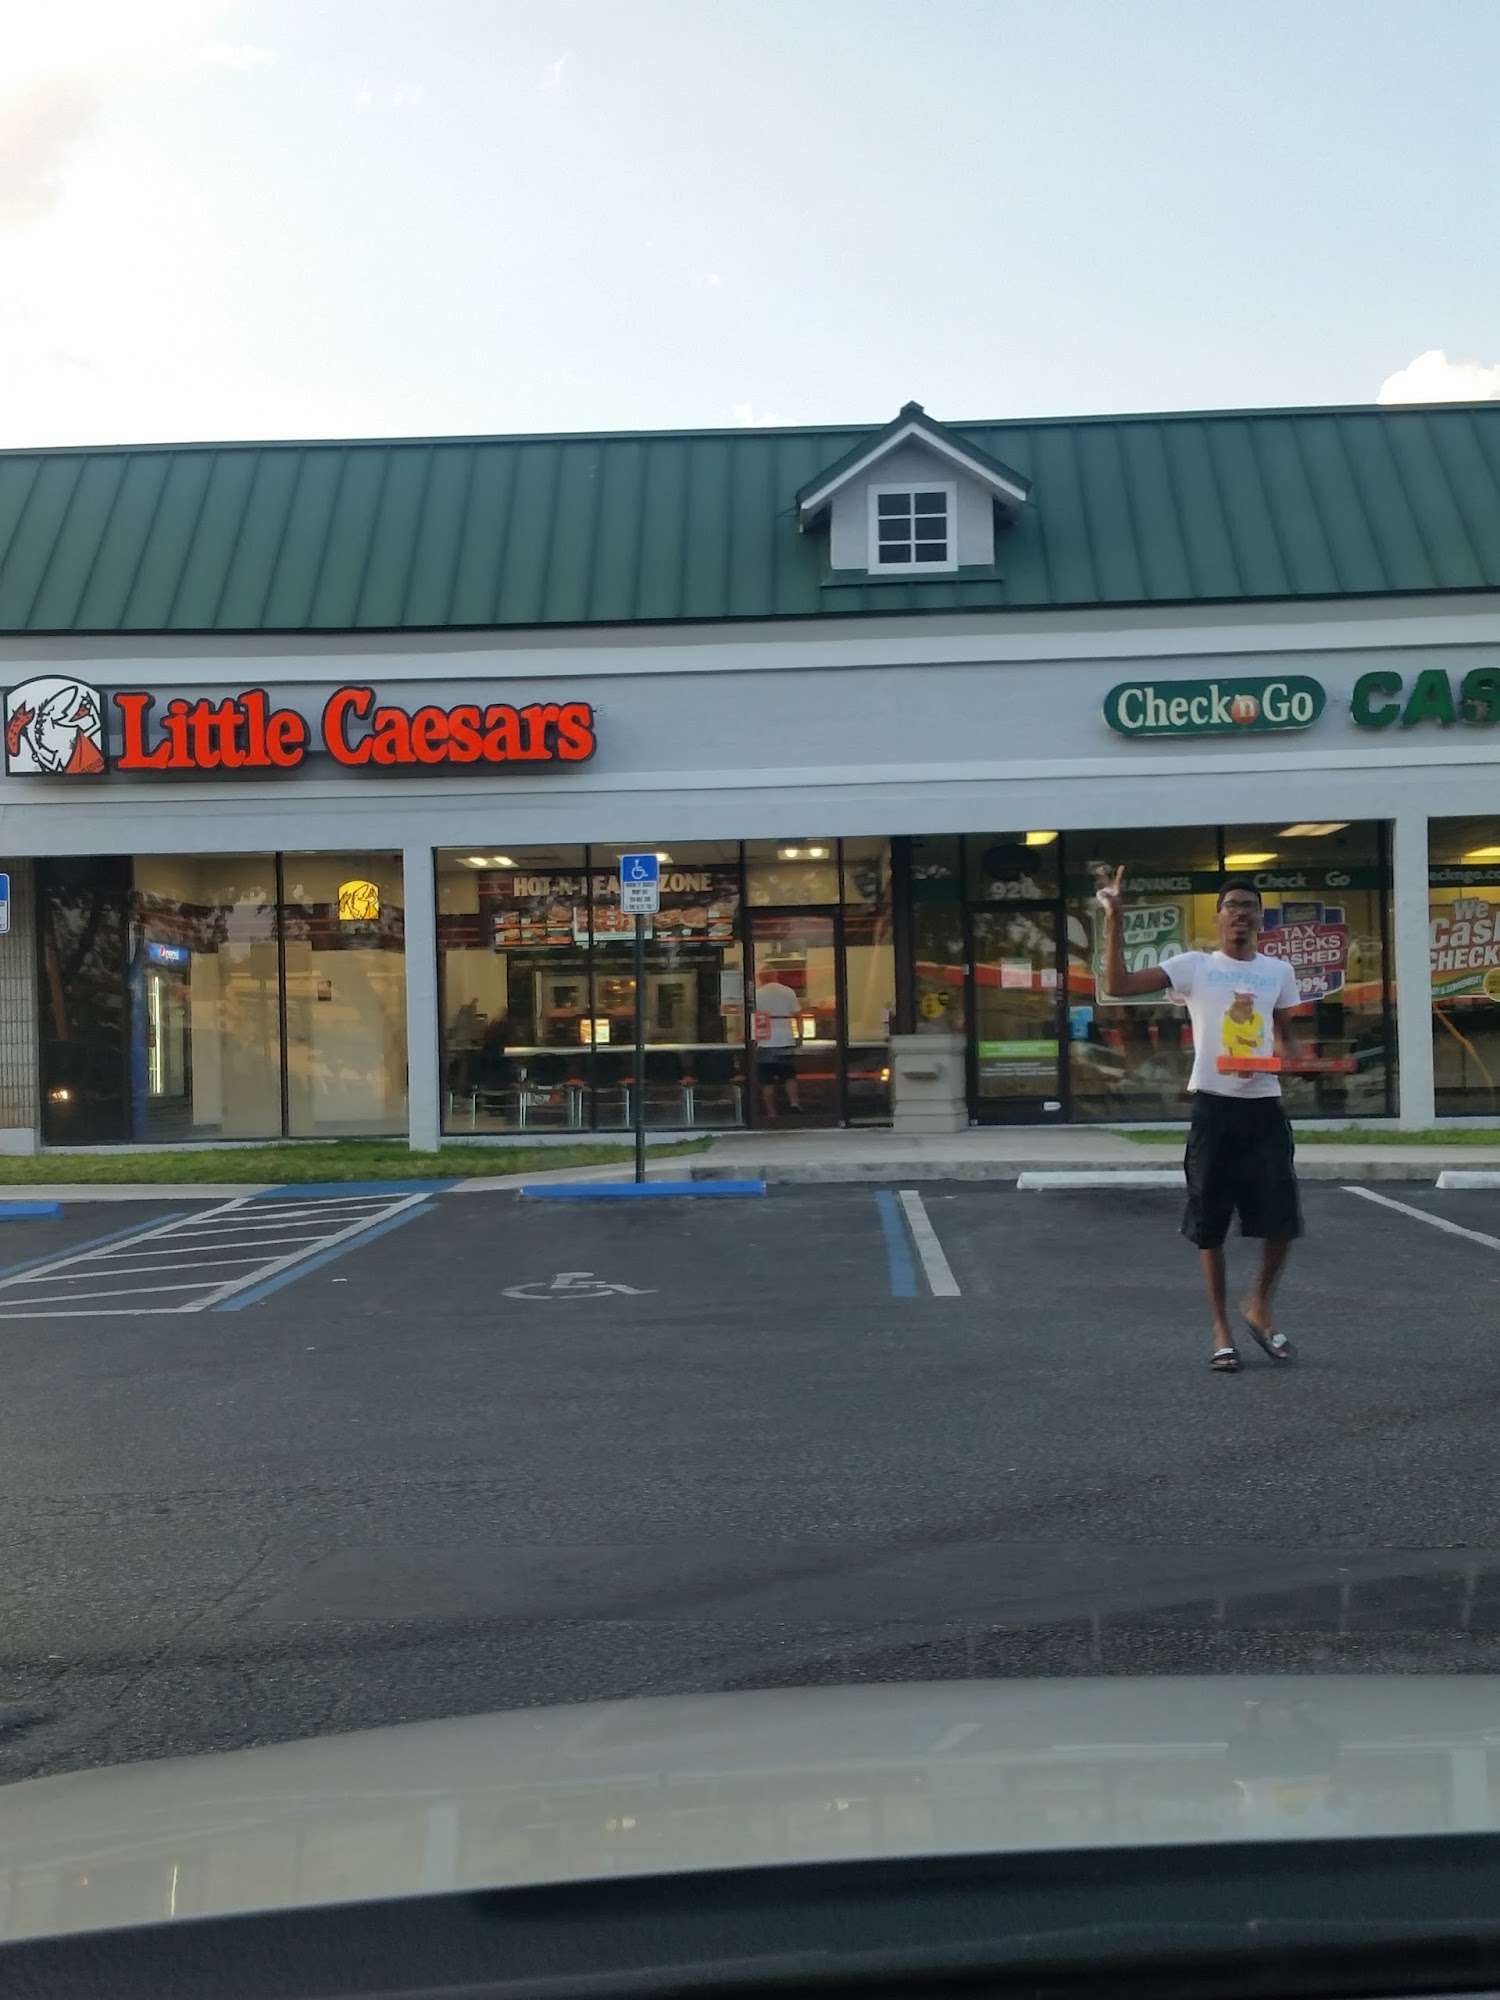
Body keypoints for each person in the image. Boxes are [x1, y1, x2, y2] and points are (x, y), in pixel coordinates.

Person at [1099, 868, 1303, 1373]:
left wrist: (1295, 1061)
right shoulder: (1195, 967)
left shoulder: (1278, 973)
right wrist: (1115, 917)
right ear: (1218, 917)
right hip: (1214, 1109)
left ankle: (1258, 1305)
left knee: (1282, 1219)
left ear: (1261, 918)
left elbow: (1286, 1039)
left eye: (1249, 906)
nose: (1241, 913)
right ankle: (1221, 1330)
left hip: (1265, 1108)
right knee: (1209, 1224)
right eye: (1232, 905)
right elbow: (1118, 985)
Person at [754, 965, 802, 1118]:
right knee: (789, 1076)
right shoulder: (788, 992)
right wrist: (799, 1036)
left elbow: (753, 1019)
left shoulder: (757, 994)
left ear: (761, 978)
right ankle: (794, 1104)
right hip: (785, 1039)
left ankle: (771, 1113)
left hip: (765, 1042)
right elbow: (798, 1016)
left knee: (767, 1081)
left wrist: (753, 1038)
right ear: (776, 976)